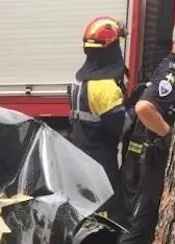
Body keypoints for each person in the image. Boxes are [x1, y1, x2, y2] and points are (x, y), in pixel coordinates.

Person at [118, 12, 175, 244]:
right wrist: (170, 137)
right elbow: (144, 108)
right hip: (159, 163)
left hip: (162, 164)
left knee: (149, 228)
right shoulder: (172, 72)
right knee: (143, 229)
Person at [68, 16, 137, 226]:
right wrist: (138, 108)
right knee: (111, 210)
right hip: (101, 157)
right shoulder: (104, 86)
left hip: (79, 150)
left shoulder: (79, 78)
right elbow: (122, 126)